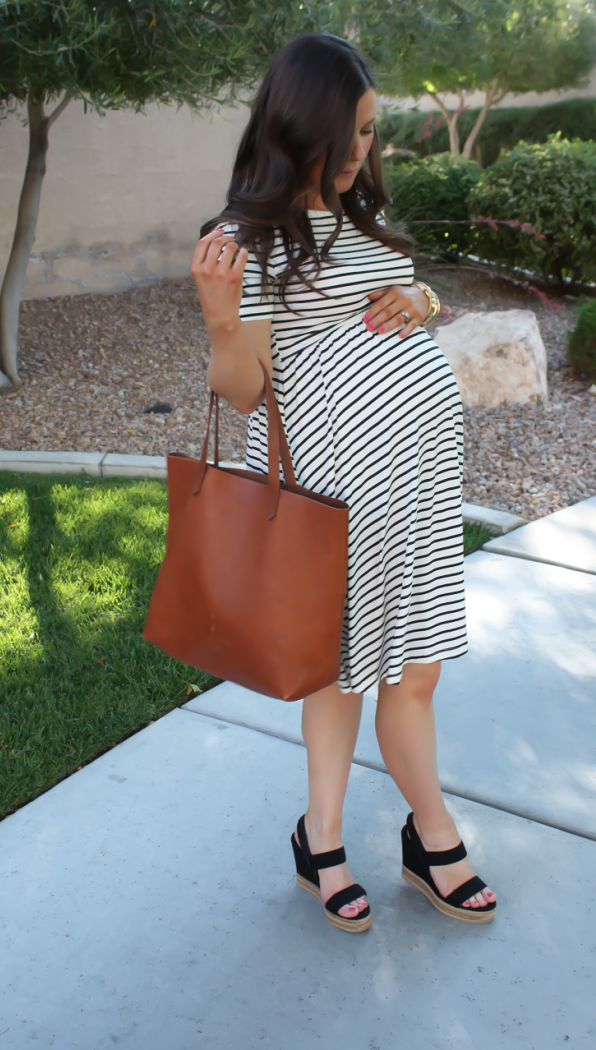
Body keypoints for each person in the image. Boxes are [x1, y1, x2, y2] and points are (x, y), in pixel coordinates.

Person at [190, 33, 496, 932]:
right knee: (342, 675)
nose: (366, 150)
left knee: (417, 674)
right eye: (353, 132)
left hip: (419, 495)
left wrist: (426, 300)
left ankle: (414, 835)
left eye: (372, 131)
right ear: (304, 124)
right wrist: (218, 325)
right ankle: (336, 838)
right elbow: (248, 393)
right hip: (336, 502)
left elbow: (402, 296)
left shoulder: (362, 216)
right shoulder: (244, 241)